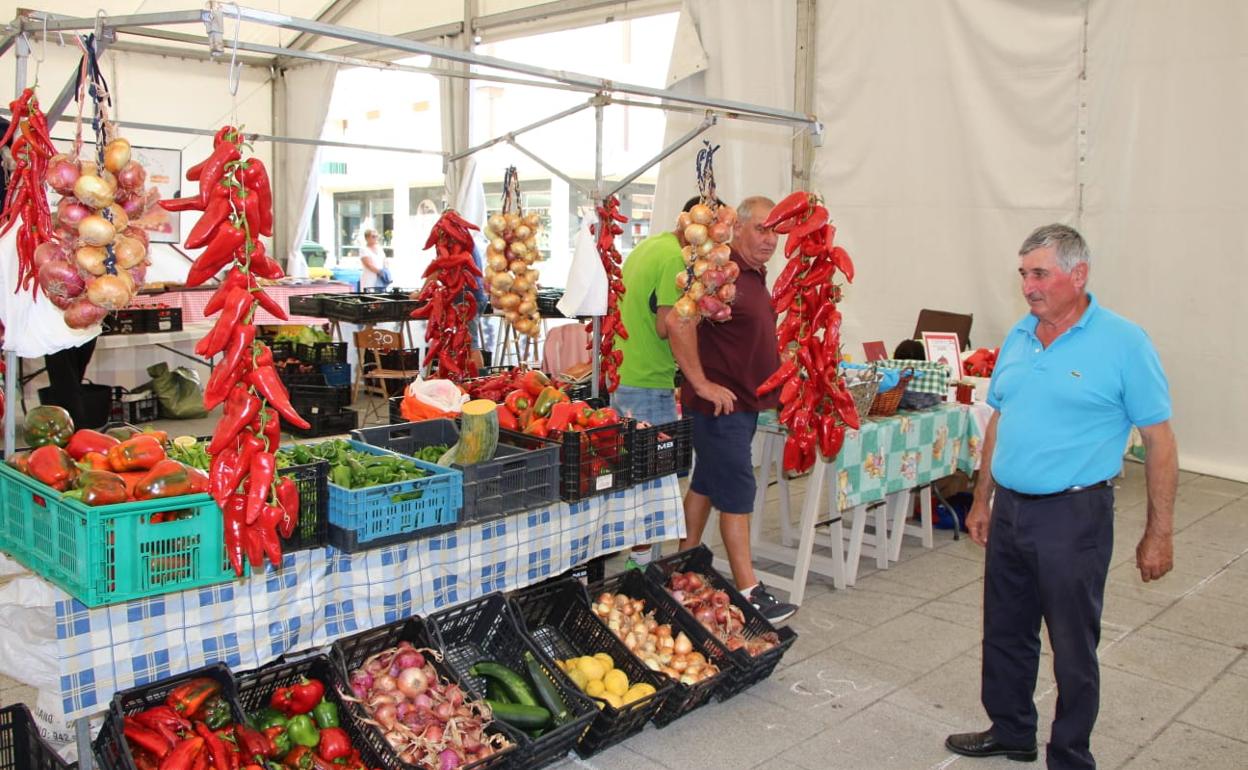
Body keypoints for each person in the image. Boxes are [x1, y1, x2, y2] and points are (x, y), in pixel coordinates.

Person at [945, 224, 1177, 769]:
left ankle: (1070, 754)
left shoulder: (1124, 343)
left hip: (1075, 515)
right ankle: (1012, 731)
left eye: (1040, 274)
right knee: (1004, 630)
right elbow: (1001, 418)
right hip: (1012, 511)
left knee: (1073, 646)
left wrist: (1159, 532)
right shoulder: (1021, 337)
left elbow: (1160, 440)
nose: (1028, 286)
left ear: (1079, 274)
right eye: (1023, 274)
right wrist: (983, 499)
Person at [668, 195, 797, 623]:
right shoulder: (722, 275)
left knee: (705, 484)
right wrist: (700, 383)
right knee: (739, 494)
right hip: (719, 408)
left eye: (775, 230)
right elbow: (677, 321)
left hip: (741, 406)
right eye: (761, 228)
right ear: (735, 229)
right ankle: (749, 590)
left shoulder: (754, 277)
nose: (770, 238)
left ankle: (680, 565)